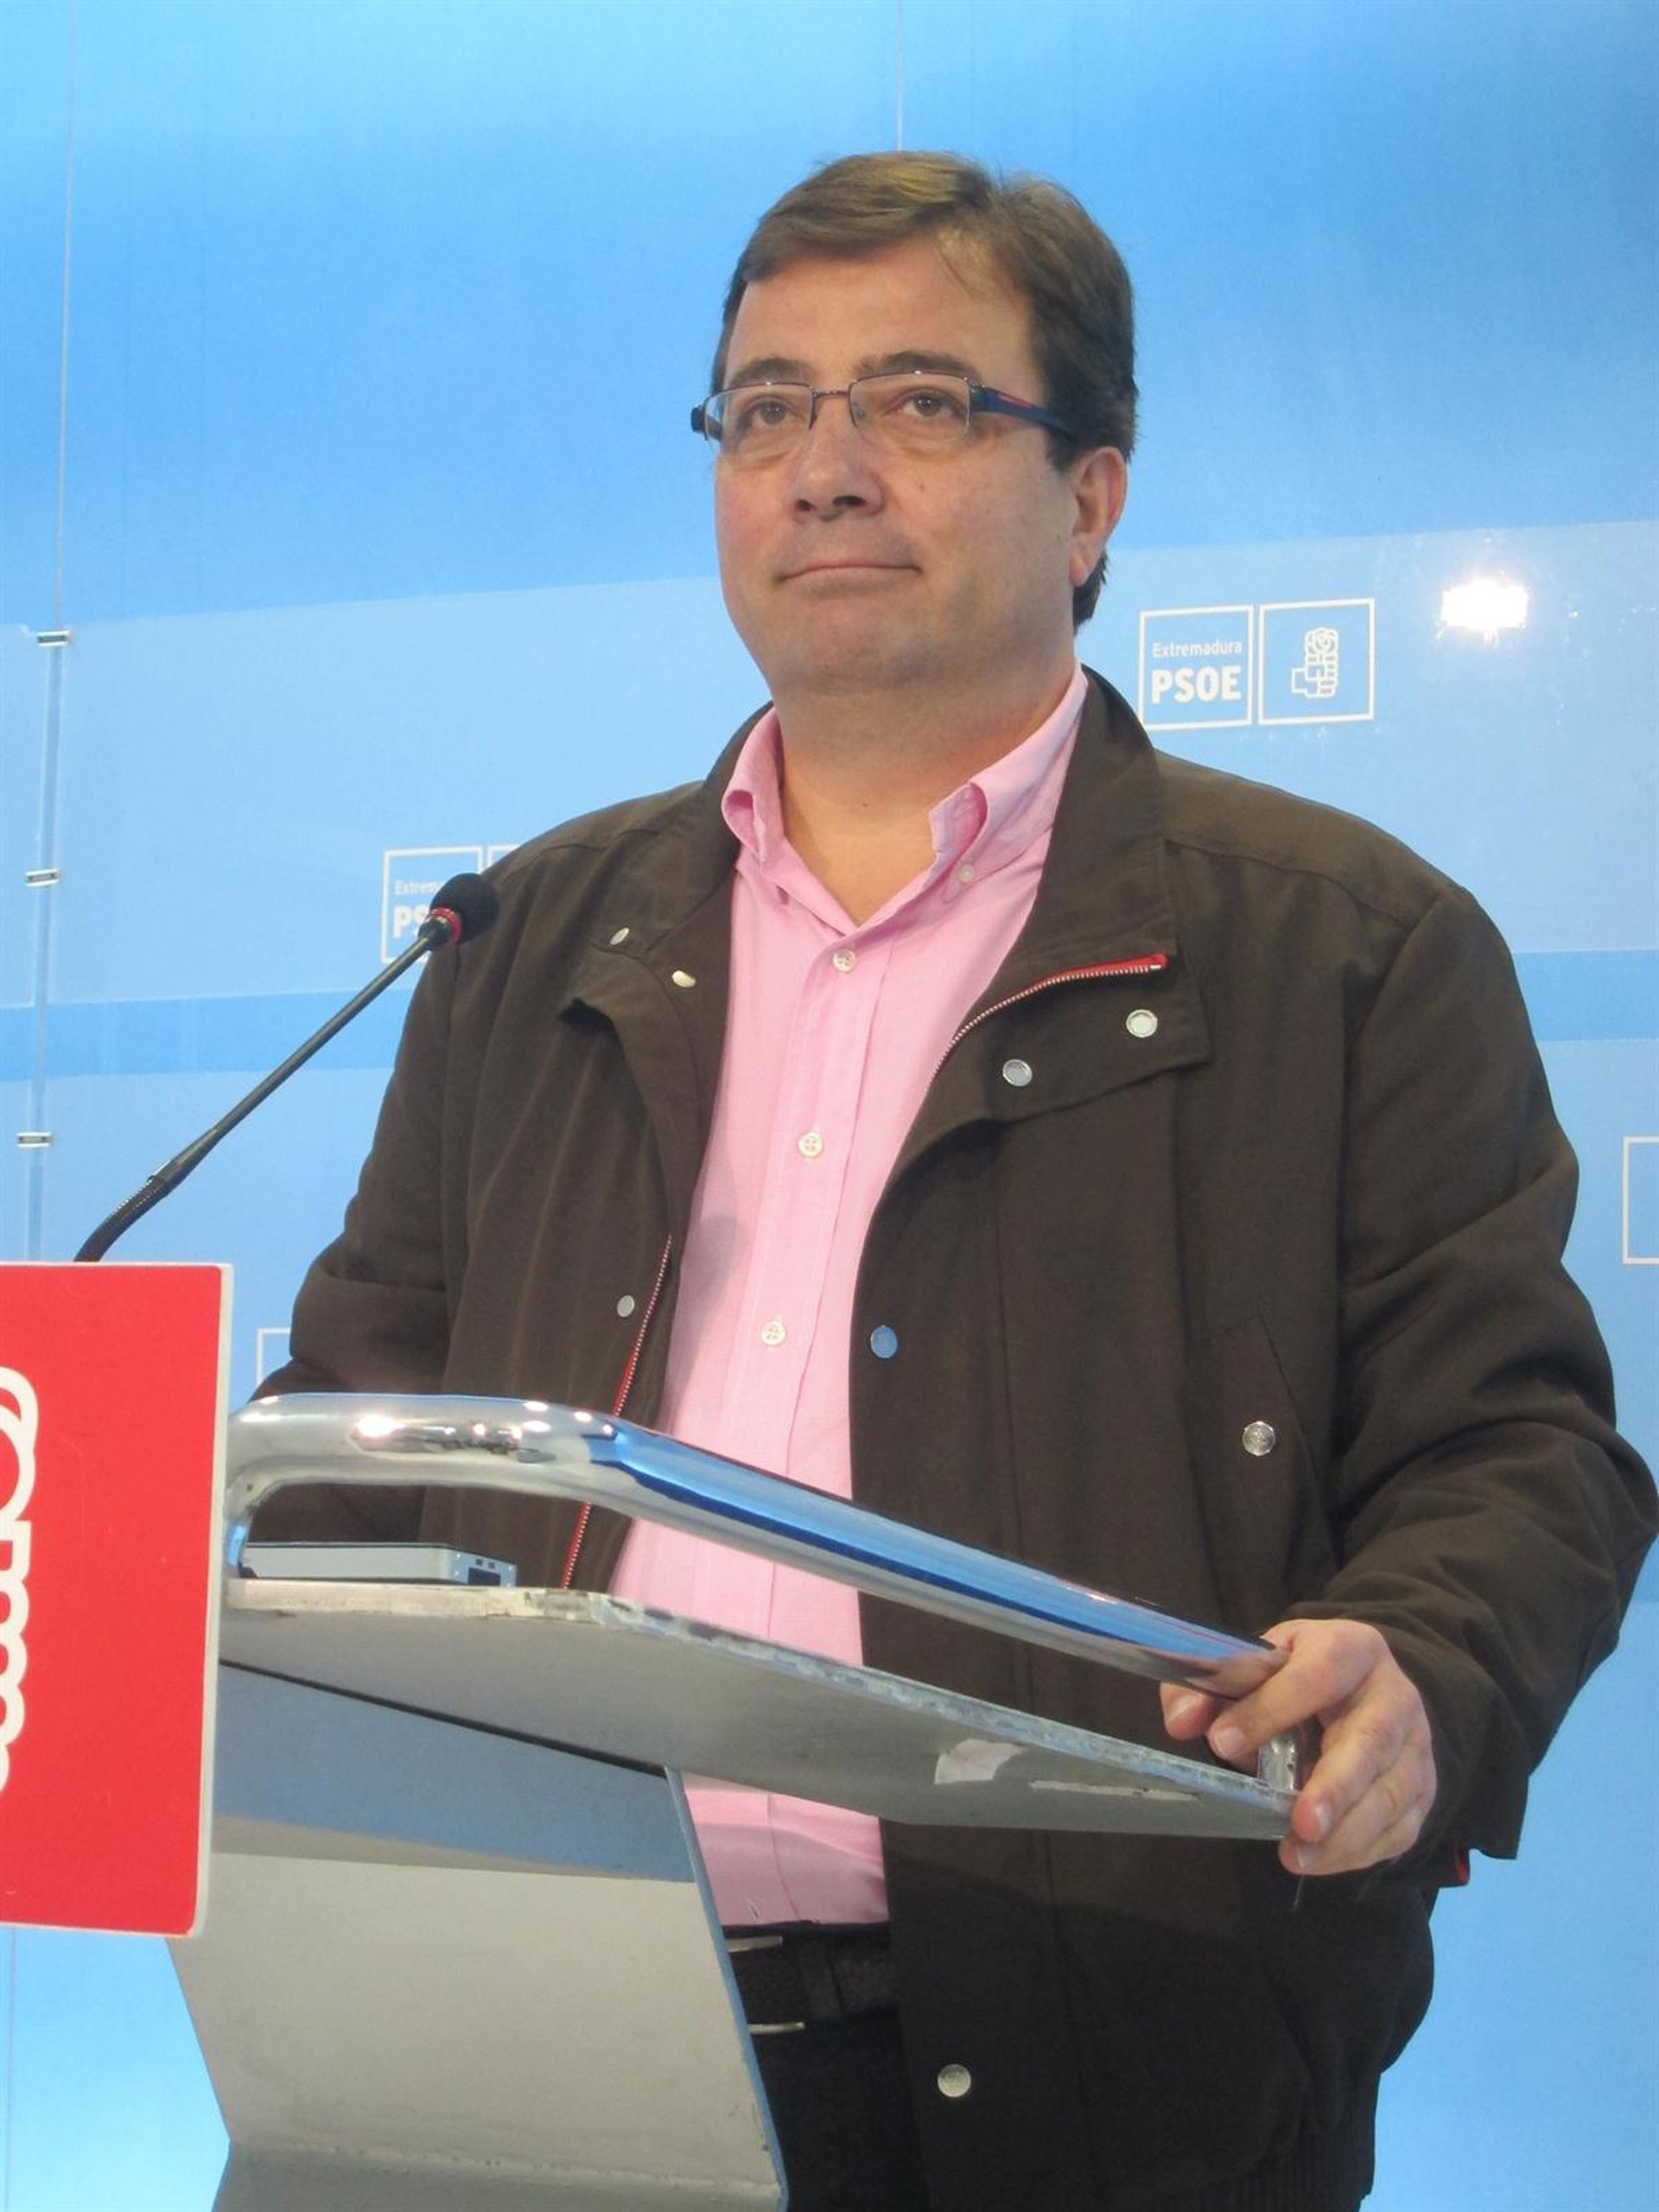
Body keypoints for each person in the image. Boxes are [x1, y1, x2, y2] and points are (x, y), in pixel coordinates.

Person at [258, 153, 1656, 2209]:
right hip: (514, 2032)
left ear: (1091, 497)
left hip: (1096, 2061)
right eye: (765, 408)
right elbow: (353, 1438)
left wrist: (1424, 1661)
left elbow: (1518, 1448)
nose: (824, 469)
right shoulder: (526, 937)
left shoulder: (1343, 946)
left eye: (919, 400)